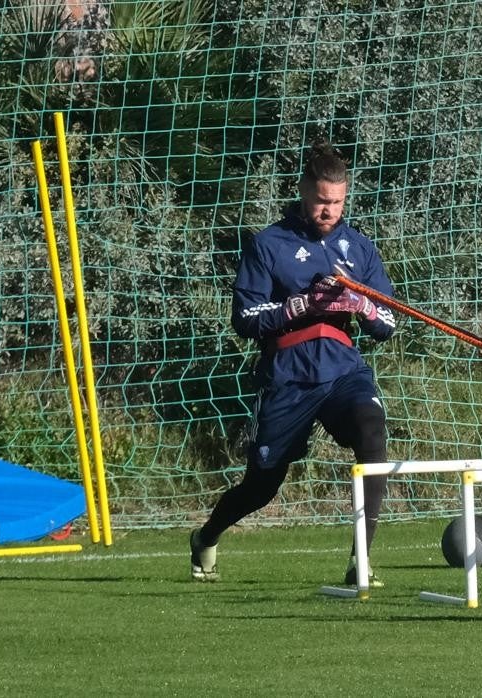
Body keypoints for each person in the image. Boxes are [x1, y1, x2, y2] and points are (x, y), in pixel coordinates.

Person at [190, 140, 397, 585]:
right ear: (304, 192)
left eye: (338, 202)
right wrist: (301, 305)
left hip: (344, 369)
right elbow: (245, 319)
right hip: (289, 374)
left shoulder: (360, 250)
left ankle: (360, 560)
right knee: (261, 486)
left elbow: (388, 322)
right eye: (322, 201)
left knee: (371, 429)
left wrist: (361, 305)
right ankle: (207, 535)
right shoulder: (268, 245)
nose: (329, 211)